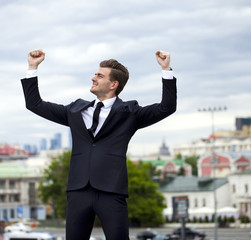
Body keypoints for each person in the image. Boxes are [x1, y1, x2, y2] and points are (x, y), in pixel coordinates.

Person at [21, 49, 177, 240]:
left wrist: (166, 69)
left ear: (114, 84)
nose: (93, 78)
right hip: (78, 191)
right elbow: (34, 104)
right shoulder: (75, 110)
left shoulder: (130, 113)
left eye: (99, 75)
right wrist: (32, 67)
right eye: (95, 74)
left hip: (111, 192)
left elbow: (167, 107)